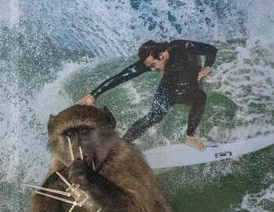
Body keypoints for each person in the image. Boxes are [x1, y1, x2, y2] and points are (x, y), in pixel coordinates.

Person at [77, 40, 217, 151]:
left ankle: (190, 137)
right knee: (154, 117)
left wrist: (207, 67)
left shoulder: (181, 46)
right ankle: (121, 145)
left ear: (161, 56)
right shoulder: (151, 60)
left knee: (200, 96)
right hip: (169, 86)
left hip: (191, 83)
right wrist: (94, 95)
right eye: (149, 67)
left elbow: (211, 49)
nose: (151, 69)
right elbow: (122, 76)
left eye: (153, 65)